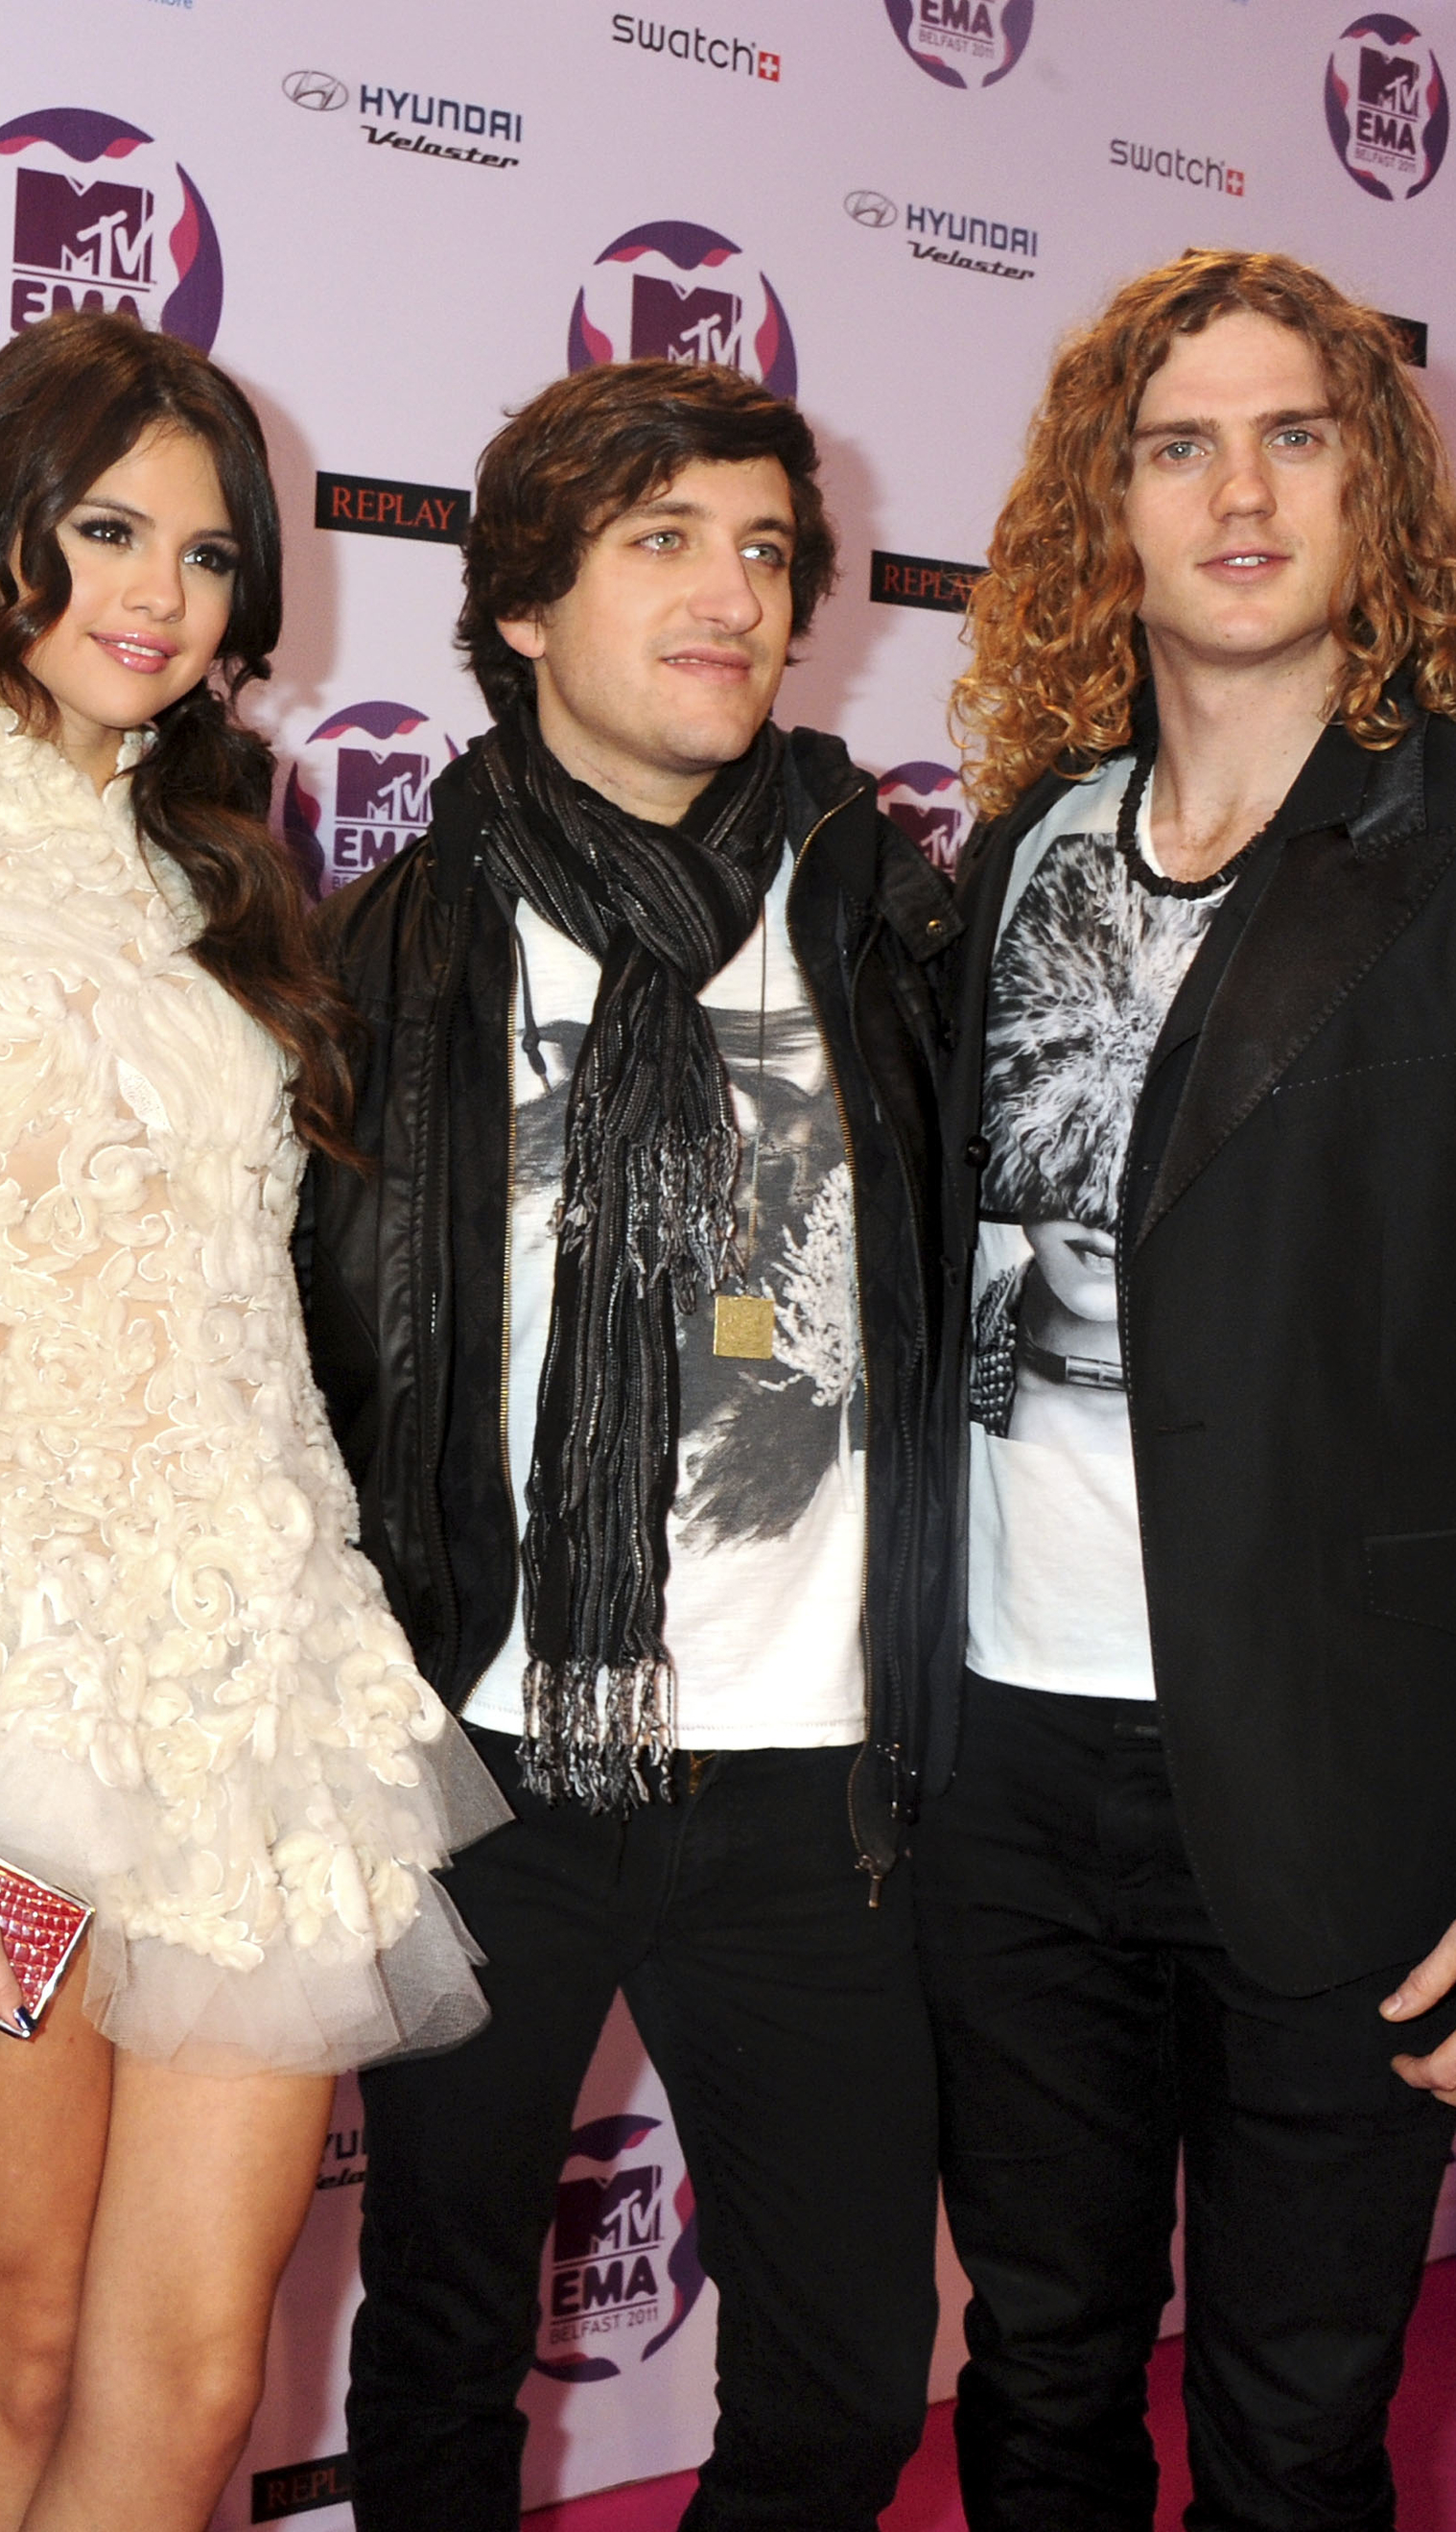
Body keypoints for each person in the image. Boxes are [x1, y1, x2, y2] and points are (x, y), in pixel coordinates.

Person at [921, 248, 1456, 2530]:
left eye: (1294, 432)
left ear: (1374, 489)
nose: (1237, 490)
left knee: (1292, 2437)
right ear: (1103, 508)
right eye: (1174, 443)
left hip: (1336, 1791)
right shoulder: (1014, 858)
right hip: (999, 1770)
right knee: (1035, 2378)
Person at [0, 308, 504, 2532]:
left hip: (249, 1678)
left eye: (206, 553)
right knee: (21, 2331)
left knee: (195, 2359)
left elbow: (248, 1327)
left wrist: (310, 1619)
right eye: (107, 529)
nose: (159, 593)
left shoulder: (218, 889)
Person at [298, 360, 955, 2531]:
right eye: (661, 540)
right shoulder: (374, 966)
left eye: (763, 550)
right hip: (490, 1762)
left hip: (815, 1786)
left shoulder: (889, 930)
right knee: (439, 2355)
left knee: (855, 2380)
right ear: (516, 605)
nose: (728, 595)